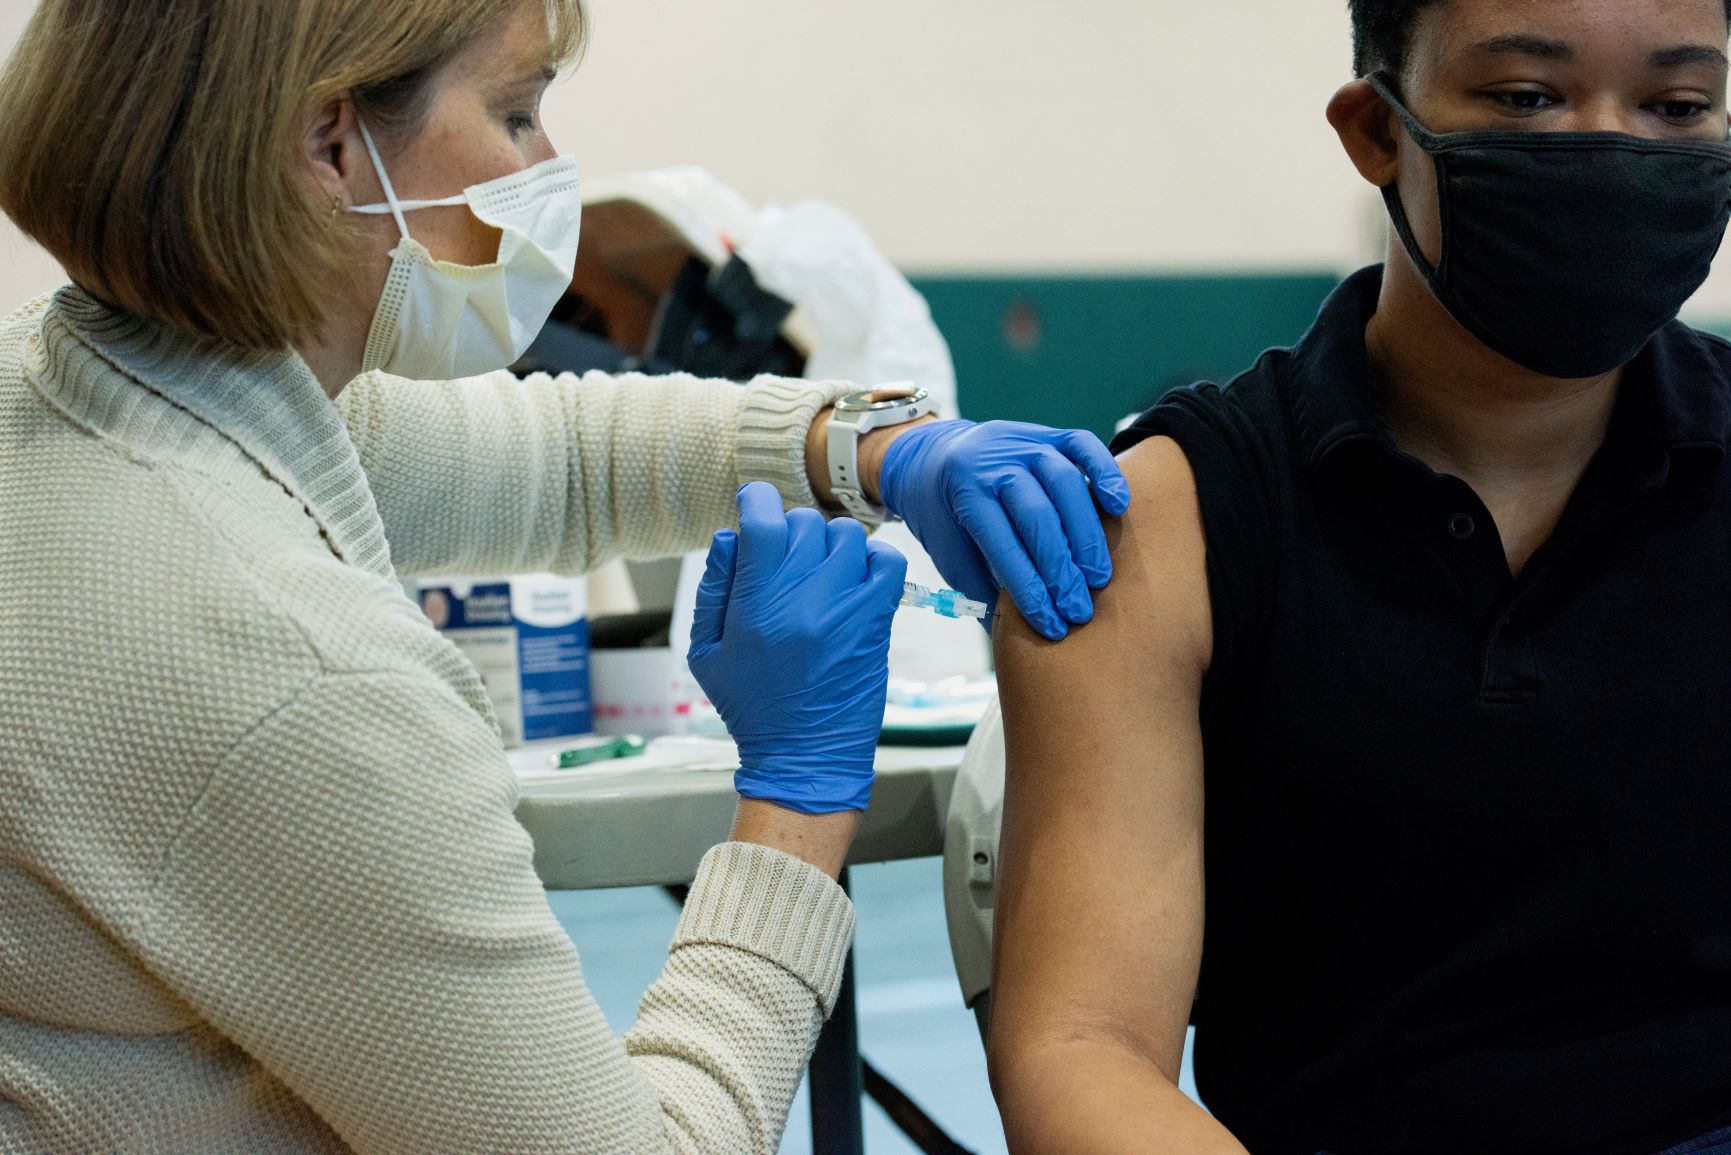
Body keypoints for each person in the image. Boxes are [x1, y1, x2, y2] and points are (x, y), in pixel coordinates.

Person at [0, 1, 1127, 1152]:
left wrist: (864, 447)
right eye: (518, 112)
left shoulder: (82, 391)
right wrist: (792, 804)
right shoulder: (295, 673)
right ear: (330, 146)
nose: (550, 171)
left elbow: (556, 461)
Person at [988, 1, 1731, 1153]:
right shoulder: (1168, 522)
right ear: (1376, 131)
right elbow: (1080, 1047)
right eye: (1527, 97)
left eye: (1678, 107)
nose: (1614, 148)